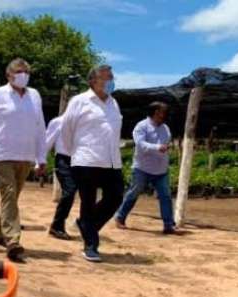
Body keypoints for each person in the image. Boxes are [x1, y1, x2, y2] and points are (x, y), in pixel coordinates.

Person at [0, 58, 46, 262]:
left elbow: (40, 128)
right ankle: (13, 240)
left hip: (25, 154)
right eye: (19, 71)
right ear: (9, 75)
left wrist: (41, 157)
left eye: (26, 71)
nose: (23, 74)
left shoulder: (34, 96)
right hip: (1, 154)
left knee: (12, 198)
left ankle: (0, 233)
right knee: (9, 192)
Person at [59, 64, 124, 263]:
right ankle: (91, 245)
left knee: (116, 197)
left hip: (112, 161)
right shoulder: (79, 101)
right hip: (86, 159)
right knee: (87, 203)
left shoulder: (114, 103)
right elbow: (66, 130)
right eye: (106, 78)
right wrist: (76, 153)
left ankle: (86, 225)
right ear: (93, 81)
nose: (110, 81)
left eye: (111, 77)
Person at [114, 102, 179, 234]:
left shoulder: (165, 128)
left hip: (161, 169)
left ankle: (168, 225)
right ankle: (120, 217)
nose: (165, 114)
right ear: (156, 112)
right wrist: (157, 147)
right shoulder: (141, 126)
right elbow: (140, 144)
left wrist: (164, 150)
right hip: (142, 168)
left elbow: (166, 144)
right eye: (163, 111)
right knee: (134, 192)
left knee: (165, 196)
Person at [44, 115, 77, 240]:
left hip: (81, 160)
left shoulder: (86, 123)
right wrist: (40, 161)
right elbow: (48, 141)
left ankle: (83, 224)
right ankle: (57, 226)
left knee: (84, 194)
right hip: (63, 160)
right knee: (69, 191)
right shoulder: (58, 122)